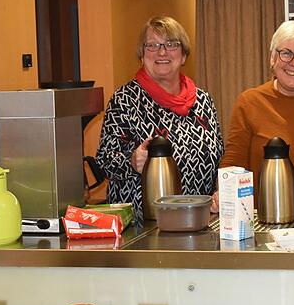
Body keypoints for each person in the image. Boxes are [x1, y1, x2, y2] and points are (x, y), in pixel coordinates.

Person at [96, 16, 224, 223]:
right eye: (152, 45)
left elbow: (219, 157)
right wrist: (131, 161)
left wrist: (220, 191)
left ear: (183, 56)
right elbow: (105, 161)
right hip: (143, 227)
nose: (162, 52)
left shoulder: (203, 100)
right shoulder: (124, 100)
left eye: (171, 44)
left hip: (199, 220)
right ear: (142, 55)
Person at [217, 20, 294, 210]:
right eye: (286, 53)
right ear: (273, 58)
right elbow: (233, 163)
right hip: (265, 218)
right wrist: (223, 195)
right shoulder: (249, 102)